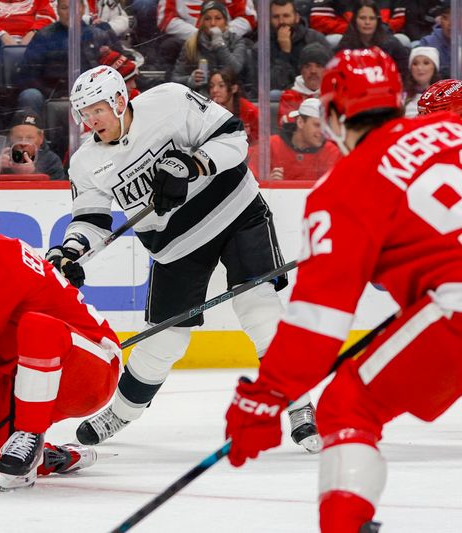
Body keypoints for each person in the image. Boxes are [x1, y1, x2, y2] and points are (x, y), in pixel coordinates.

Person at [224, 47, 462, 533]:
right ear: (398, 100)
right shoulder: (454, 132)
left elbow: (319, 323)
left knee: (346, 405)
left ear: (331, 112)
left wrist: (264, 398)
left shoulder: (343, 185)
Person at [50, 65, 320, 453]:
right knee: (164, 340)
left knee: (257, 307)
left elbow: (234, 137)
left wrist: (193, 165)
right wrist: (72, 250)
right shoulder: (86, 162)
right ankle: (122, 412)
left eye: (97, 109)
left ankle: (300, 404)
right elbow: (91, 220)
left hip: (236, 212)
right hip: (175, 245)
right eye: (84, 114)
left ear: (119, 100)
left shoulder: (171, 101)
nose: (91, 120)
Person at [0, 192, 122, 491]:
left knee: (37, 327)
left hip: (90, 367)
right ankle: (53, 457)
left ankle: (29, 435)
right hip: (42, 372)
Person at [248, 98, 341, 181]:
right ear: (300, 122)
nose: (322, 132)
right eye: (317, 125)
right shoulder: (269, 146)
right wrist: (267, 184)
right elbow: (250, 187)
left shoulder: (331, 152)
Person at [170, 1, 247, 94]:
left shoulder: (236, 41)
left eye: (218, 18)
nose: (213, 23)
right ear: (201, 22)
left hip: (230, 97)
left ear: (226, 22)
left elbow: (235, 69)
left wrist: (220, 45)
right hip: (201, 99)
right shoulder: (191, 44)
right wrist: (190, 80)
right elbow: (175, 78)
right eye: (207, 19)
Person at [0, 109, 66, 180]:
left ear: (41, 138)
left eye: (29, 138)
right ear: (10, 137)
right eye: (18, 138)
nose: (23, 143)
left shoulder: (51, 160)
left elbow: (58, 194)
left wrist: (33, 173)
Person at [265, 0, 331, 92]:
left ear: (297, 17)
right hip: (284, 96)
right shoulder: (262, 47)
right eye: (276, 17)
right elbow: (272, 85)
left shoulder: (315, 39)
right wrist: (284, 53)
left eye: (286, 16)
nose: (281, 21)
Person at [336, 0, 409, 79]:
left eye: (372, 18)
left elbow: (403, 69)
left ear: (378, 21)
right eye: (362, 18)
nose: (367, 22)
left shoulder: (390, 42)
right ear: (355, 20)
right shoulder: (346, 43)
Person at [278, 42, 331, 127]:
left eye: (319, 66)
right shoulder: (289, 96)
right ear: (301, 70)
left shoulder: (335, 95)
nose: (313, 71)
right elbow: (287, 128)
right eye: (307, 66)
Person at [208, 67, 258, 145]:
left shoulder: (249, 110)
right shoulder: (207, 110)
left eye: (221, 86)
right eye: (211, 86)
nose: (214, 90)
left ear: (234, 88)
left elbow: (259, 143)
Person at [403, 47, 441, 118]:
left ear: (434, 67)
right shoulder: (401, 97)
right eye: (415, 64)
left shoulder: (444, 97)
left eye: (426, 63)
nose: (420, 68)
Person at [418, 0, 451, 79]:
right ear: (440, 20)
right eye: (445, 18)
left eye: (457, 17)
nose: (450, 23)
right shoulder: (427, 43)